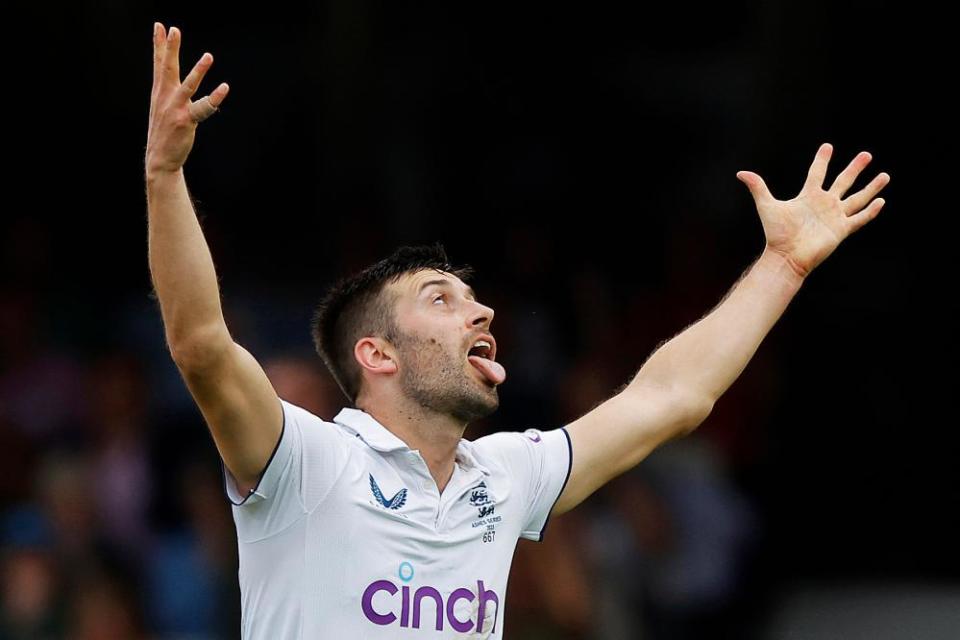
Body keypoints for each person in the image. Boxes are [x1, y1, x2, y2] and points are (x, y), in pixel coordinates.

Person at [144, 22, 890, 640]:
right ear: (376, 355)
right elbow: (202, 345)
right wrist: (166, 177)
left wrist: (782, 267)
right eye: (441, 299)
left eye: (474, 299)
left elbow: (673, 396)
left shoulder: (502, 479)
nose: (482, 312)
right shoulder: (302, 462)